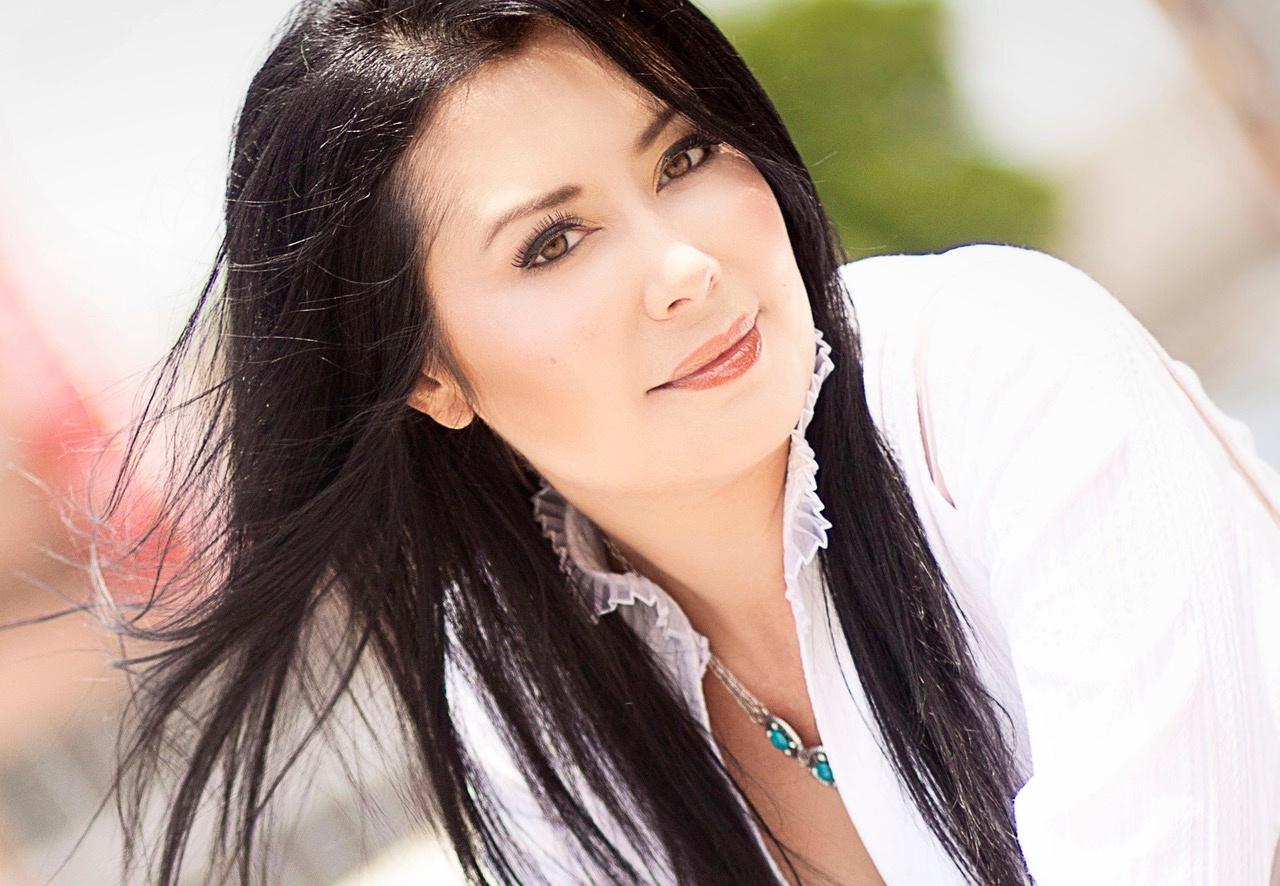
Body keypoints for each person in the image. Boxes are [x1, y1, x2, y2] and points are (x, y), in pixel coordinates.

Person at [85, 1, 1280, 884]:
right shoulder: (521, 696)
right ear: (428, 372)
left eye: (684, 155)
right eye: (552, 244)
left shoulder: (992, 372)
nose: (682, 265)